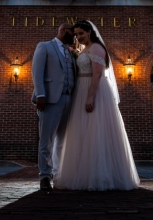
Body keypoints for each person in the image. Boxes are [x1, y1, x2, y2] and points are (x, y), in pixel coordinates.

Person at [54, 20, 140, 191]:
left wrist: (90, 97)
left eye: (81, 34)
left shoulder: (97, 48)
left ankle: (100, 175)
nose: (78, 37)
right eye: (76, 34)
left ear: (90, 32)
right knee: (81, 131)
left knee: (95, 130)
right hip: (80, 89)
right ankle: (81, 173)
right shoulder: (83, 49)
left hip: (93, 90)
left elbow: (98, 74)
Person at [31, 23, 76, 191]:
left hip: (68, 99)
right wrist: (41, 95)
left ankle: (59, 174)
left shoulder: (71, 52)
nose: (75, 37)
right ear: (64, 31)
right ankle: (44, 176)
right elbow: (37, 71)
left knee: (63, 141)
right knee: (46, 141)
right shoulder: (45, 46)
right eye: (73, 33)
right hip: (49, 100)